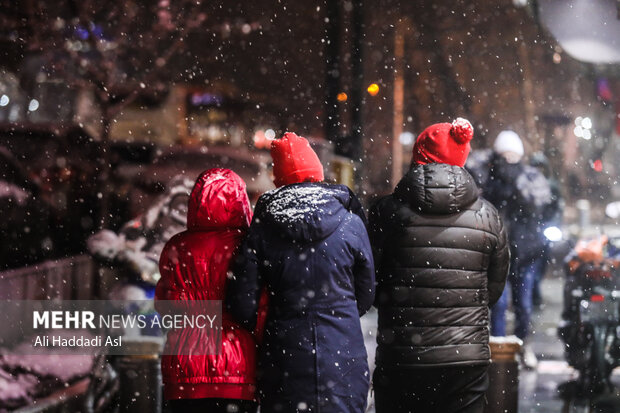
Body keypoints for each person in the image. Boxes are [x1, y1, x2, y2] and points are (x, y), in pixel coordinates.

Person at [226, 132, 375, 413]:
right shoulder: (350, 223)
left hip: (285, 360)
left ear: (278, 178)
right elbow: (366, 296)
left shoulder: (263, 230)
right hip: (343, 360)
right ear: (317, 172)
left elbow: (243, 305)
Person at [370, 118, 509, 413]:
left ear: (418, 156)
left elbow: (371, 282)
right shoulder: (488, 216)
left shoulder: (386, 213)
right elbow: (493, 289)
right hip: (465, 359)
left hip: (402, 355)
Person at [155, 168, 259, 413]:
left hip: (184, 364)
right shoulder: (247, 246)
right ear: (240, 203)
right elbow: (257, 307)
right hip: (236, 367)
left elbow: (165, 306)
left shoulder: (177, 246)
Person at [483, 131, 552, 370]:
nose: (509, 159)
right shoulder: (490, 177)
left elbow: (540, 203)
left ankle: (522, 346)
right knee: (499, 305)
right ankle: (500, 350)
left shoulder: (530, 177)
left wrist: (516, 184)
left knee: (524, 305)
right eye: (505, 154)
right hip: (500, 252)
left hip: (526, 252)